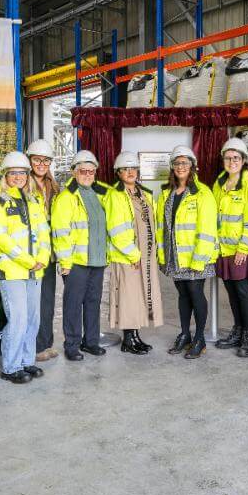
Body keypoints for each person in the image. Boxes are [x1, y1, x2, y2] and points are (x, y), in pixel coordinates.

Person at [0, 152, 51, 384]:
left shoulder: (34, 202)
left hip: (36, 270)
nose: (18, 177)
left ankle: (26, 361)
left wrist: (42, 257)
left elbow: (44, 233)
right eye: (13, 173)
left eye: (22, 173)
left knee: (33, 319)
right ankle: (11, 367)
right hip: (12, 272)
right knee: (18, 319)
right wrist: (28, 260)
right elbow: (1, 239)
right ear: (5, 175)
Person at [157, 145, 218, 358]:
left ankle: (199, 338)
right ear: (172, 167)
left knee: (195, 293)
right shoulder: (167, 193)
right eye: (177, 163)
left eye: (185, 162)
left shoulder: (202, 193)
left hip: (195, 257)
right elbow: (161, 227)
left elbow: (207, 228)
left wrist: (199, 259)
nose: (181, 166)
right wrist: (162, 254)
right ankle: (185, 334)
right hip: (175, 256)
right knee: (182, 294)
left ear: (192, 166)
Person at [52, 150, 110, 361]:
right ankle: (72, 345)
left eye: (91, 171)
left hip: (97, 259)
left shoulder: (101, 194)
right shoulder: (66, 198)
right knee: (73, 304)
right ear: (74, 172)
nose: (87, 174)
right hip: (76, 262)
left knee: (93, 301)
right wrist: (65, 262)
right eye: (82, 170)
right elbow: (61, 232)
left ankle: (91, 342)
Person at [105, 151, 164, 354]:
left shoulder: (143, 193)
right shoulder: (115, 195)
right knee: (129, 298)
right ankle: (128, 340)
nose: (130, 172)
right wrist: (133, 255)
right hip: (128, 257)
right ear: (118, 173)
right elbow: (116, 230)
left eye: (133, 169)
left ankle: (136, 336)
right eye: (125, 169)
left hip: (144, 256)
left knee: (140, 297)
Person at [213, 137, 248, 357]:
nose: (232, 161)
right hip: (224, 250)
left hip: (242, 251)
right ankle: (237, 330)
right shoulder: (220, 183)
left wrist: (243, 248)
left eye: (236, 157)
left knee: (244, 293)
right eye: (228, 157)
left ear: (244, 160)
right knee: (232, 293)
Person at [27, 139, 60, 362]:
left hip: (49, 249)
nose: (41, 164)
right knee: (33, 302)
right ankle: (35, 347)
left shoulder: (53, 186)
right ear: (29, 160)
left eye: (46, 160)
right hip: (31, 249)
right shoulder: (22, 184)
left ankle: (46, 342)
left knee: (47, 299)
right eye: (37, 159)